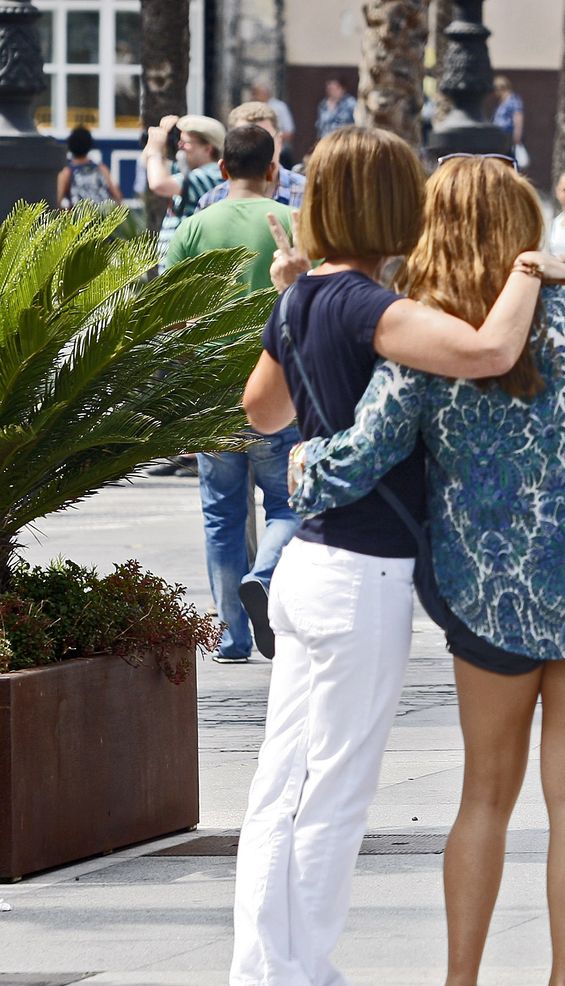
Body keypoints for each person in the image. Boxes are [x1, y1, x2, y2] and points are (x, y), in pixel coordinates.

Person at [287, 160, 565, 986]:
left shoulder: (428, 335)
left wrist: (300, 467)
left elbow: (360, 454)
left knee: (484, 795)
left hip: (487, 588)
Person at [228, 125, 565, 986]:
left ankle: (275, 971)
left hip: (306, 561)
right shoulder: (366, 306)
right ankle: (294, 982)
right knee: (334, 787)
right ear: (387, 205)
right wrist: (531, 268)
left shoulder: (302, 301)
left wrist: (298, 324)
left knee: (282, 783)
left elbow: (263, 410)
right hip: (360, 575)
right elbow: (490, 351)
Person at [164, 125, 301, 664]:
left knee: (220, 517)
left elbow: (169, 311)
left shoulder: (196, 226)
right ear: (273, 170)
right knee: (288, 505)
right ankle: (264, 572)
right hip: (280, 390)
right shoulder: (293, 223)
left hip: (213, 394)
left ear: (222, 169)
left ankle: (232, 637)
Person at [144, 113, 226, 262]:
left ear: (207, 149)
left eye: (185, 142)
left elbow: (158, 184)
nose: (180, 147)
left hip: (190, 272)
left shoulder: (214, 176)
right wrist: (161, 137)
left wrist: (155, 151)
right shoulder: (191, 173)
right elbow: (151, 166)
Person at [196, 101, 307, 211]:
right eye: (244, 140)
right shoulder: (211, 201)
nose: (255, 148)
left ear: (280, 141)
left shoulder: (308, 194)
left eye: (265, 139)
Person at [57, 126, 122, 208]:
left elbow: (57, 200)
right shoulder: (101, 169)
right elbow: (118, 196)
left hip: (80, 219)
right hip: (102, 217)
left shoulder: (67, 172)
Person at [250, 80, 296, 163]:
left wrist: (269, 139)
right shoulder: (251, 108)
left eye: (257, 93)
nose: (254, 96)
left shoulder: (279, 108)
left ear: (266, 93)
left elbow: (289, 132)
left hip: (279, 154)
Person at [491, 75, 529, 170]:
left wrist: (517, 135)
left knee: (510, 159)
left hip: (508, 137)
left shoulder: (513, 100)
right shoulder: (502, 102)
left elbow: (518, 117)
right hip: (500, 137)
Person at [316, 78, 356, 142]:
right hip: (326, 142)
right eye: (330, 88)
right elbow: (320, 127)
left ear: (343, 89)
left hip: (344, 142)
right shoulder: (323, 105)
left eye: (335, 88)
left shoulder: (351, 103)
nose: (332, 91)